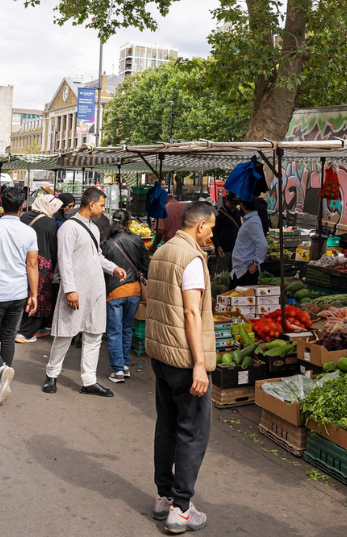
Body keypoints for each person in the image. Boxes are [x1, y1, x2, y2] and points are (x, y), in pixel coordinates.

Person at [145, 200, 217, 532]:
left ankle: (163, 497)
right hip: (184, 359)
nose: (212, 234)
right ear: (199, 225)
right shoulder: (191, 258)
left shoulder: (162, 251)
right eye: (211, 227)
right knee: (192, 432)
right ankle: (182, 509)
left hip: (161, 354)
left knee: (168, 426)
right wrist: (199, 365)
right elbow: (190, 312)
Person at [42, 187, 126, 397]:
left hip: (95, 290)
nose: (103, 210)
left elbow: (96, 255)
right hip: (76, 290)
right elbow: (64, 260)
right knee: (65, 334)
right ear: (91, 204)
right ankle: (51, 375)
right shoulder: (69, 228)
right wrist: (70, 290)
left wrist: (112, 268)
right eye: (102, 205)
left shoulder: (94, 228)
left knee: (94, 334)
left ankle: (89, 380)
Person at [0, 187, 38, 403]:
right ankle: (1, 379)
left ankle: (1, 371)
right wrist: (34, 294)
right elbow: (32, 264)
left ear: (2, 203)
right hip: (19, 292)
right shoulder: (29, 232)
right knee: (7, 336)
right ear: (22, 207)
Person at [102, 209, 150, 383]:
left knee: (114, 331)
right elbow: (146, 265)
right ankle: (125, 365)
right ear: (128, 222)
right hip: (134, 291)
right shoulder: (137, 240)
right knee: (126, 329)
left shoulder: (107, 243)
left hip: (114, 292)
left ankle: (118, 369)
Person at [17, 193, 62, 342]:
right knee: (39, 296)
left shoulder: (23, 217)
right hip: (42, 265)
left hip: (22, 260)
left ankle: (40, 327)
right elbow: (54, 248)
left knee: (27, 293)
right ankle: (25, 332)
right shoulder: (50, 224)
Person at [230, 196, 268, 285]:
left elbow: (263, 244)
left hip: (246, 271)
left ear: (242, 205)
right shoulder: (250, 220)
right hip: (240, 270)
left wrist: (255, 263)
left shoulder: (252, 222)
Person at [212, 192, 242, 277]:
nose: (234, 206)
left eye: (236, 204)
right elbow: (214, 233)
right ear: (227, 201)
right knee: (222, 273)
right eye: (233, 204)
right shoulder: (219, 214)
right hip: (223, 250)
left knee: (234, 272)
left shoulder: (237, 212)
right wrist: (218, 246)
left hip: (236, 249)